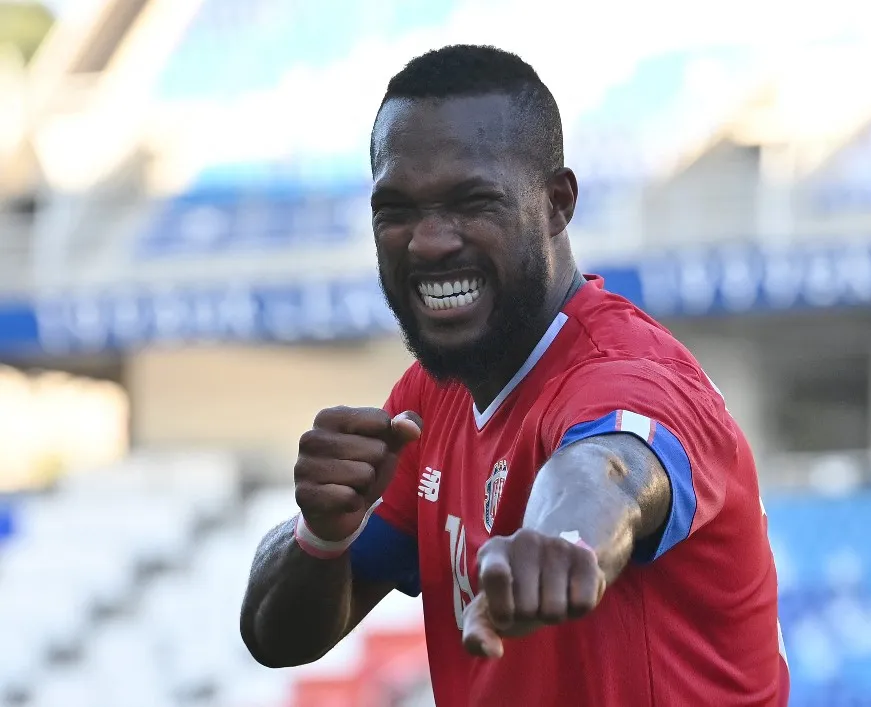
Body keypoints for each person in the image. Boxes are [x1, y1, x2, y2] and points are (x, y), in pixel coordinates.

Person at [241, 44, 789, 706]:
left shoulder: (628, 373)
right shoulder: (429, 399)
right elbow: (277, 638)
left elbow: (609, 472)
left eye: (472, 201)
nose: (429, 240)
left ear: (557, 203)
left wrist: (563, 543)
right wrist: (320, 533)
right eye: (397, 210)